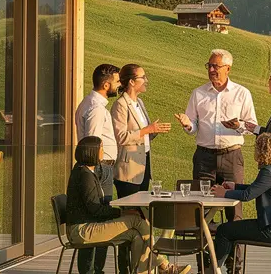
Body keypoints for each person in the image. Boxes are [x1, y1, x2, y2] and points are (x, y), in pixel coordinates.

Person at [67, 136, 183, 274]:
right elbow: (95, 209)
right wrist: (122, 213)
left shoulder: (86, 172)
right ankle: (164, 265)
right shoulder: (84, 175)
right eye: (101, 148)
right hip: (82, 230)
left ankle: (141, 271)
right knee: (135, 219)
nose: (103, 151)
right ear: (91, 152)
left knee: (136, 235)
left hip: (89, 226)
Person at [174, 49, 257, 222]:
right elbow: (193, 125)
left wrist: (239, 126)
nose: (211, 70)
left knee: (234, 209)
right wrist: (188, 124)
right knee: (201, 208)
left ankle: (234, 249)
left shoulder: (242, 93)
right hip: (204, 157)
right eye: (209, 66)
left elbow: (252, 126)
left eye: (215, 66)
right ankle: (206, 249)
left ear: (228, 68)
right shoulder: (198, 93)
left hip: (231, 157)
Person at [209, 134, 271, 274]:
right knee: (227, 229)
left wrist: (223, 193)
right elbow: (256, 188)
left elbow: (247, 196)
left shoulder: (268, 172)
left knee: (224, 231)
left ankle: (213, 270)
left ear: (262, 150)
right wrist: (235, 187)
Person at [74, 64, 121, 274]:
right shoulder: (95, 108)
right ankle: (94, 270)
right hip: (99, 167)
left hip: (102, 167)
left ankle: (95, 269)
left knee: (100, 219)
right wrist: (97, 167)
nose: (119, 86)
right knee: (99, 218)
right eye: (117, 82)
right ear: (106, 84)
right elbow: (92, 143)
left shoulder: (91, 103)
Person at [112, 64, 171, 199]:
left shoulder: (140, 102)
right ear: (132, 82)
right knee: (131, 211)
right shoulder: (120, 105)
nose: (146, 80)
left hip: (143, 166)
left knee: (142, 211)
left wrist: (154, 130)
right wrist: (147, 129)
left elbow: (144, 134)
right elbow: (121, 137)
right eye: (143, 77)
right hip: (129, 170)